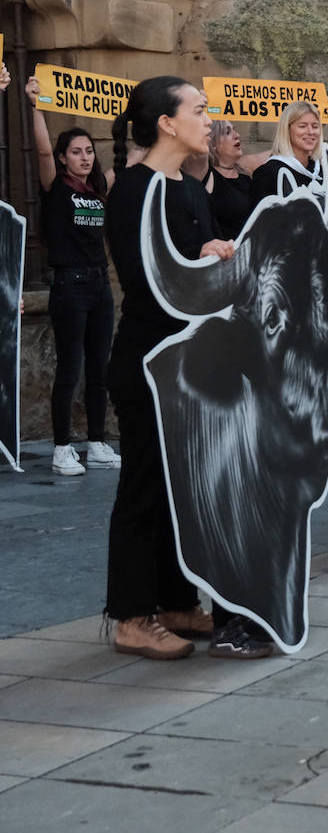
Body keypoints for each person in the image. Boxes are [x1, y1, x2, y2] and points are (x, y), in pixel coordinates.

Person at [102, 76, 232, 659]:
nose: (211, 120)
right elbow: (146, 279)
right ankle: (130, 615)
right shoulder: (134, 190)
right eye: (200, 111)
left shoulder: (189, 186)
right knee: (144, 487)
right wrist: (198, 262)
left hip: (188, 362)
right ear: (166, 123)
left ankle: (175, 601)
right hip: (147, 361)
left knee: (180, 489)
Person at [24, 76, 122, 477]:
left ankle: (96, 441)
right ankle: (62, 447)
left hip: (99, 284)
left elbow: (128, 162)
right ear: (64, 158)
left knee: (100, 367)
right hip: (69, 284)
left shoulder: (99, 188)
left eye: (87, 152)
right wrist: (35, 105)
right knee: (70, 367)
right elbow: (42, 150)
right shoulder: (56, 188)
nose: (84, 157)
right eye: (76, 152)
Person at [249, 100, 325, 205]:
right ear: (287, 129)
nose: (311, 132)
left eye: (315, 126)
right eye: (302, 126)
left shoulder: (322, 171)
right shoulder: (268, 173)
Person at [202, 120, 262, 240]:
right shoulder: (207, 175)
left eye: (235, 130)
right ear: (213, 143)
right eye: (227, 132)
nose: (237, 135)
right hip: (224, 253)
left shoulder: (245, 177)